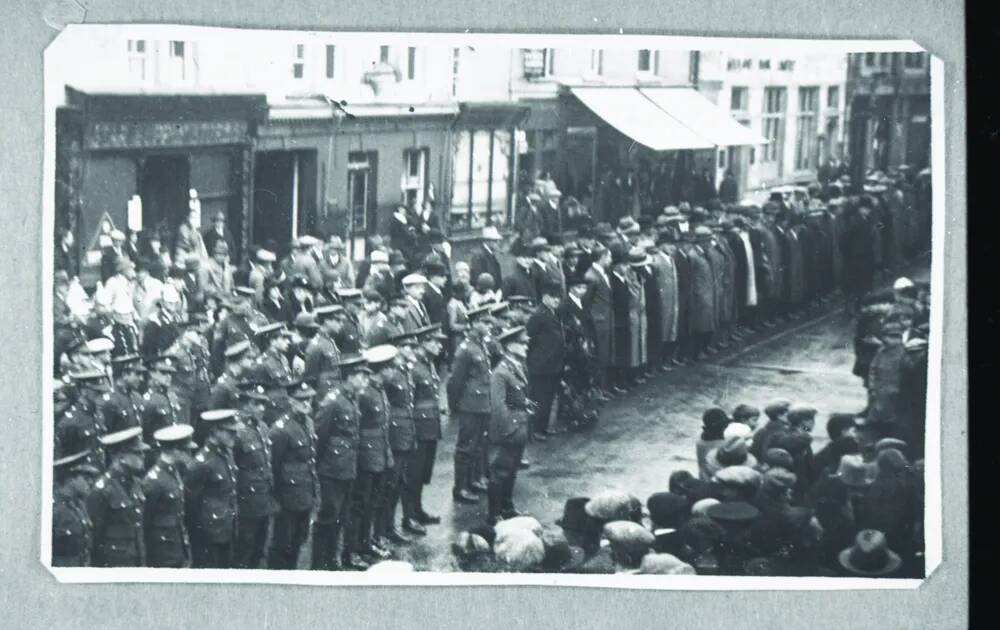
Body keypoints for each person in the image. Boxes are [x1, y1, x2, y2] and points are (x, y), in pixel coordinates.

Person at [312, 355, 367, 570]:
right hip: (332, 469)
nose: (364, 381)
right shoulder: (333, 401)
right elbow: (320, 435)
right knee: (328, 516)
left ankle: (332, 559)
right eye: (361, 376)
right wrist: (321, 467)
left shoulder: (351, 398)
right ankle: (318, 565)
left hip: (347, 466)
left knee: (340, 516)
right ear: (350, 377)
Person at [267, 380, 318, 570]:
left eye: (309, 400)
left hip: (304, 492)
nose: (306, 404)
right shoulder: (280, 430)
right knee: (282, 544)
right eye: (301, 400)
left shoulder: (309, 423)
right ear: (290, 401)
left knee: (299, 539)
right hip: (287, 498)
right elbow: (273, 468)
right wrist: (276, 500)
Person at [352, 345, 396, 562]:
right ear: (382, 370)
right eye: (390, 368)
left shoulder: (378, 390)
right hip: (367, 455)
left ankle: (366, 542)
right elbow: (358, 428)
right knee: (361, 503)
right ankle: (355, 547)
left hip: (379, 452)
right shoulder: (366, 394)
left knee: (373, 501)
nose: (393, 372)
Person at [86, 427, 150, 567]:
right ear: (120, 457)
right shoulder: (102, 490)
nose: (143, 456)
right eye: (137, 453)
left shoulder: (135, 484)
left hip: (136, 559)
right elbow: (95, 537)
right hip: (113, 564)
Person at [487, 326, 532, 524]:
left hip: (519, 427)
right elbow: (498, 406)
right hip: (509, 430)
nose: (526, 346)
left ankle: (507, 507)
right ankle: (494, 514)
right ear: (509, 346)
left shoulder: (517, 366)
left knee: (512, 470)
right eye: (521, 343)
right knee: (500, 472)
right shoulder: (500, 372)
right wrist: (508, 430)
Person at [184, 409, 240, 568]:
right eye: (230, 432)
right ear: (215, 432)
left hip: (226, 528)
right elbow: (192, 508)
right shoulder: (201, 464)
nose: (234, 435)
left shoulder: (225, 454)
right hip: (208, 536)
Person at [232, 383, 278, 570]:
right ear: (245, 405)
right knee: (244, 546)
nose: (260, 408)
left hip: (263, 495)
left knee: (260, 546)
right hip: (246, 499)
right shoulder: (237, 432)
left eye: (263, 404)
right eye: (256, 404)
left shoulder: (263, 427)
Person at [406, 325, 447, 527]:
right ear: (423, 343)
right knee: (413, 473)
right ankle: (409, 516)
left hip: (429, 424)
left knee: (423, 471)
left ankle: (417, 509)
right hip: (418, 426)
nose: (440, 346)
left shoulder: (428, 364)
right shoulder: (414, 367)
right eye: (435, 342)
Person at [447, 319, 493, 503]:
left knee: (478, 444)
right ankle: (461, 487)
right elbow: (455, 381)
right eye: (484, 321)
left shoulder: (479, 345)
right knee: (466, 446)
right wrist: (456, 405)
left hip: (481, 402)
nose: (489, 325)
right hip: (470, 404)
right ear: (474, 324)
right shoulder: (465, 349)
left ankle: (474, 479)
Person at [142, 424, 195, 568]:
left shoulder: (174, 471)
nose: (189, 455)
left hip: (175, 543)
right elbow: (145, 521)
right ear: (176, 451)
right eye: (187, 451)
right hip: (161, 549)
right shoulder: (154, 481)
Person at [525, 281, 566, 440]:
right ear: (545, 297)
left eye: (558, 297)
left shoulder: (552, 313)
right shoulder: (538, 315)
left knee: (548, 397)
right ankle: (536, 429)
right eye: (553, 297)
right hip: (541, 364)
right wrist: (534, 359)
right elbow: (529, 338)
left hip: (552, 364)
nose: (557, 300)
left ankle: (543, 427)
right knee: (540, 397)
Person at [52, 450, 99, 567]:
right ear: (70, 479)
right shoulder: (54, 507)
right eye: (86, 478)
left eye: (91, 478)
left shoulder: (79, 504)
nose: (91, 482)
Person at [303, 305, 344, 399]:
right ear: (327, 321)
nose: (341, 324)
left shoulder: (329, 340)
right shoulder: (316, 345)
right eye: (338, 320)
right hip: (324, 395)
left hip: (335, 391)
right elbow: (311, 377)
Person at [469, 226, 504, 290]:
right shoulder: (480, 256)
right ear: (488, 241)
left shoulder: (490, 254)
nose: (498, 243)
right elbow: (477, 279)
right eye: (495, 241)